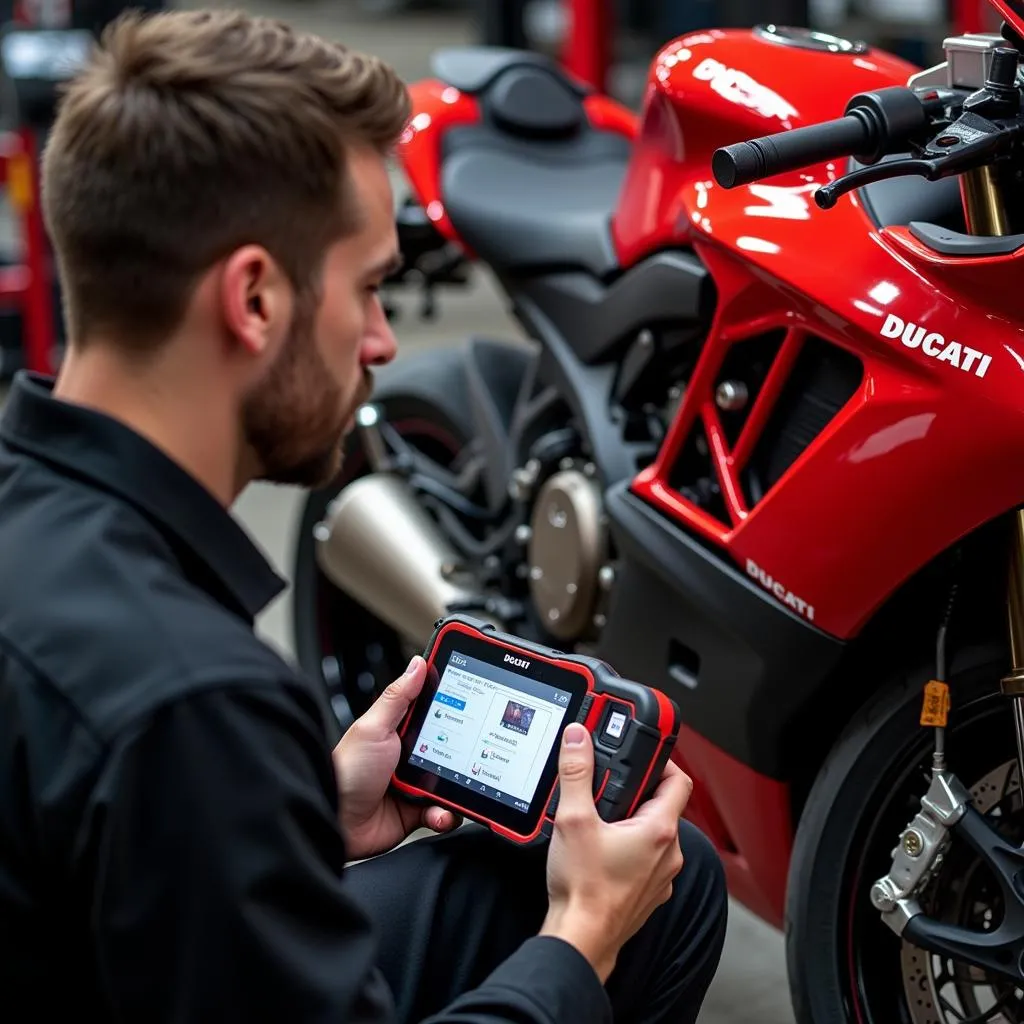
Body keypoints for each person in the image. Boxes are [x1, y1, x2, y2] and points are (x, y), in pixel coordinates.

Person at [0, 9, 728, 1022]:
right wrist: (579, 942)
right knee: (638, 901)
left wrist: (296, 815)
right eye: (370, 289)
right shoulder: (191, 699)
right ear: (254, 299)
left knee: (669, 870)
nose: (382, 342)